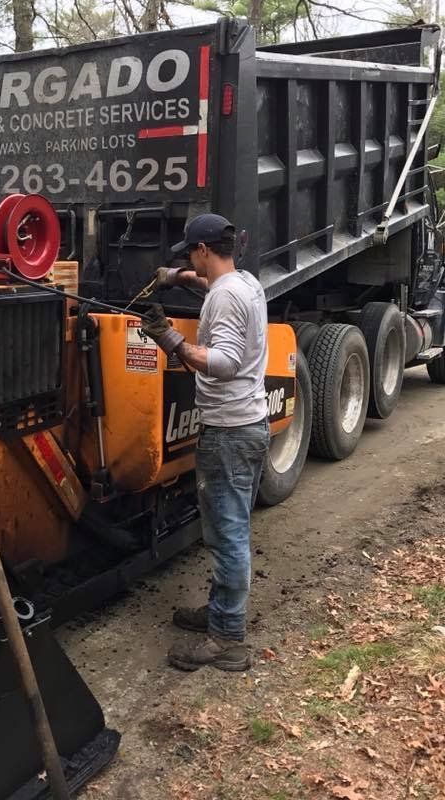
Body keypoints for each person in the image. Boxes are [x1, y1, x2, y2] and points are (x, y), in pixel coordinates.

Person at [141, 213, 269, 673]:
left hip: (229, 433)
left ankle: (227, 640)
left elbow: (224, 362)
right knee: (231, 527)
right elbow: (214, 287)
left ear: (202, 250)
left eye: (189, 255)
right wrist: (174, 278)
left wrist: (168, 338)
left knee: (226, 535)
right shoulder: (245, 282)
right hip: (247, 424)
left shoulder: (227, 299)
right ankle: (220, 614)